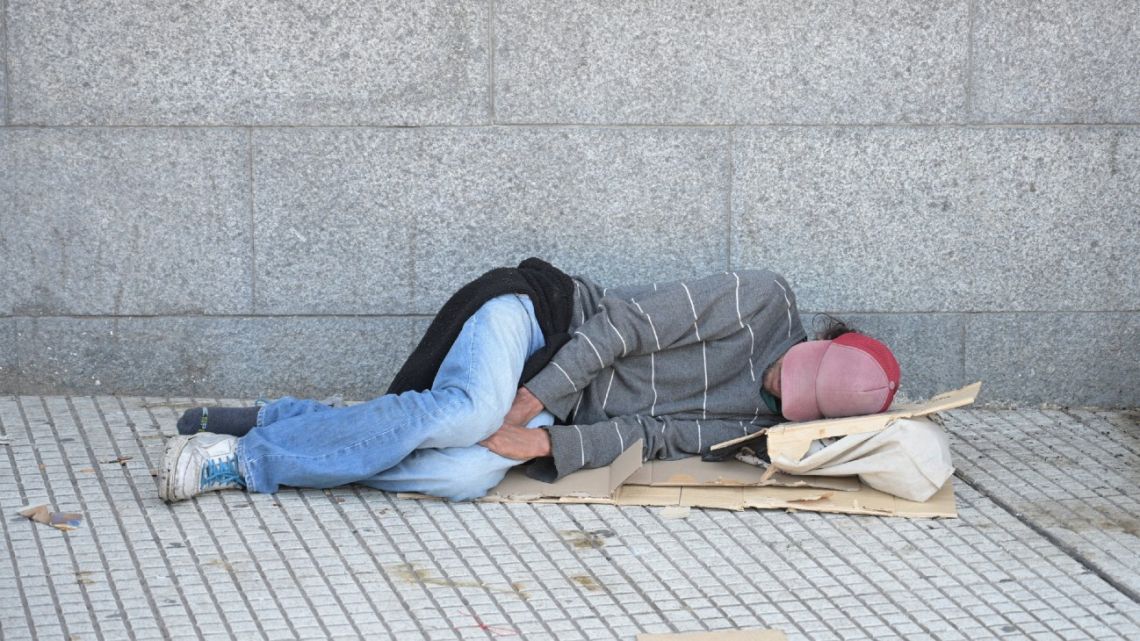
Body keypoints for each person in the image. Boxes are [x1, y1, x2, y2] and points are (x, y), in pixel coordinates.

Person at [158, 259, 900, 503]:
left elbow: (653, 434)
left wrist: (542, 447)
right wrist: (535, 395)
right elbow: (625, 328)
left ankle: (284, 420)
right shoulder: (763, 298)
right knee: (474, 407)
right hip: (542, 321)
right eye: (796, 365)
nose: (778, 379)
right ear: (821, 341)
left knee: (464, 473)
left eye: (791, 393)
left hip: (556, 407)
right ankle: (246, 462)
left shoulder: (757, 427)